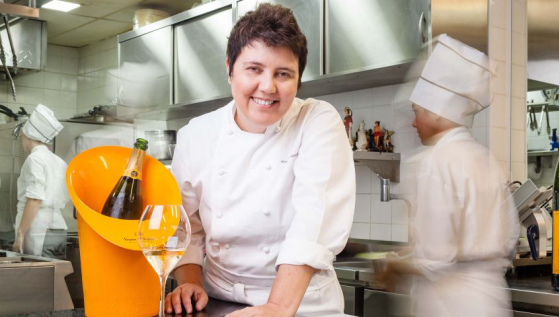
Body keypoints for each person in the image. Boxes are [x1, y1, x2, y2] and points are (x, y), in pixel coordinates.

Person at [167, 4, 355, 316]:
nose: (268, 87)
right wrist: (189, 282)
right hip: (219, 301)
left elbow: (314, 219)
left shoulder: (317, 120)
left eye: (283, 74)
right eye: (254, 69)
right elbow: (184, 225)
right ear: (230, 68)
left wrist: (277, 308)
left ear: (298, 79)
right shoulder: (196, 135)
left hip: (302, 306)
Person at [379, 34, 520, 316]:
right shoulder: (484, 157)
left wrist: (393, 266)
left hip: (451, 304)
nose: (414, 122)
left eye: (418, 112)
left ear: (439, 115)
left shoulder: (437, 160)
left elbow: (436, 259)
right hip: (491, 301)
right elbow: (509, 236)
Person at [12, 104, 70, 259]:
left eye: (22, 136)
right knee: (55, 278)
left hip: (40, 231)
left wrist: (20, 233)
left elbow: (35, 199)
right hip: (59, 229)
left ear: (28, 135)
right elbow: (65, 201)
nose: (22, 139)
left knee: (39, 278)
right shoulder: (58, 161)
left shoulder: (34, 159)